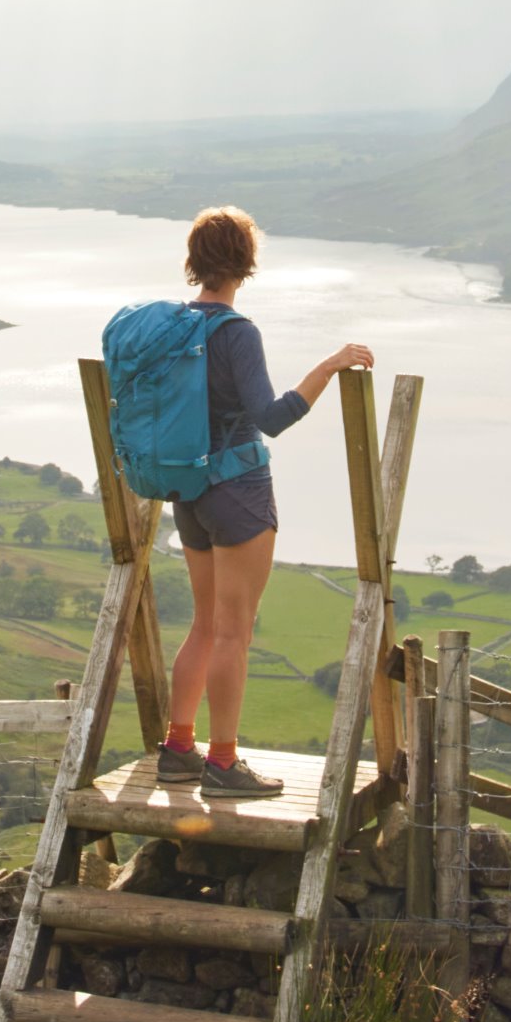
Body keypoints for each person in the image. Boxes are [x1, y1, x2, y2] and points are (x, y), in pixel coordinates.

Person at [157, 205, 370, 799]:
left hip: (190, 492)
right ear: (246, 263)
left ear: (195, 262)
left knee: (203, 625)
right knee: (233, 632)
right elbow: (270, 418)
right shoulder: (236, 332)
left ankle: (178, 751)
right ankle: (223, 764)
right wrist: (329, 366)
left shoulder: (174, 328)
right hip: (239, 493)